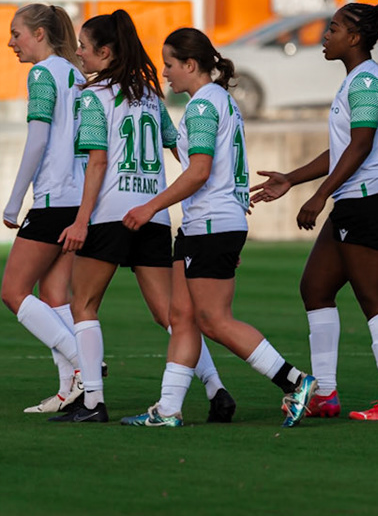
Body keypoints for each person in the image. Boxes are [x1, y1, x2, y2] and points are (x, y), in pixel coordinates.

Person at [119, 27, 318, 428]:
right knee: (183, 315)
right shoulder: (215, 101)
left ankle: (295, 381)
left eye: (170, 64)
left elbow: (200, 171)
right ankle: (169, 409)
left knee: (213, 319)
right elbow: (200, 159)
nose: (165, 72)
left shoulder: (203, 106)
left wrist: (150, 207)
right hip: (204, 223)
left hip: (211, 222)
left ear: (191, 65)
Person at [55, 10, 233, 423]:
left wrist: (82, 220)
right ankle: (215, 388)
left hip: (113, 213)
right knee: (170, 315)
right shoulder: (151, 96)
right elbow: (179, 148)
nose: (79, 53)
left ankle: (93, 400)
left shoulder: (94, 97)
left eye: (84, 47)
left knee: (82, 303)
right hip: (152, 216)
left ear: (105, 52)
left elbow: (97, 164)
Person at [252, 2, 378, 421]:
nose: (326, 35)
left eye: (334, 28)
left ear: (355, 38)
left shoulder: (364, 81)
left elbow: (360, 147)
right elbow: (345, 148)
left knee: (375, 299)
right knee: (315, 288)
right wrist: (291, 178)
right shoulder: (357, 80)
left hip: (368, 199)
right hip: (357, 199)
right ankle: (325, 394)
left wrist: (320, 195)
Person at [1, 4, 89, 412]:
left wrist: (15, 199)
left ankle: (86, 363)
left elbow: (38, 141)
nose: (11, 42)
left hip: (53, 198)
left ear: (40, 34)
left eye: (17, 33)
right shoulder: (76, 73)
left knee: (14, 292)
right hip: (78, 199)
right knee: (54, 294)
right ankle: (69, 390)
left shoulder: (42, 74)